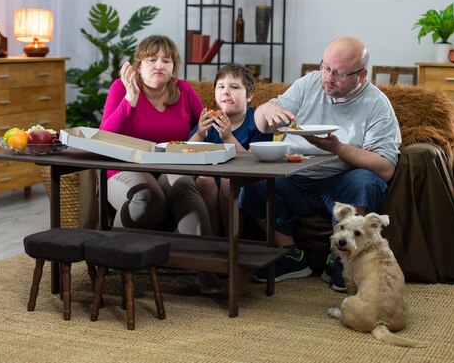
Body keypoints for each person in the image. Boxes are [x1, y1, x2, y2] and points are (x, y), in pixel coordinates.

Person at [240, 36, 401, 291]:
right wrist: (265, 110)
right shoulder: (309, 84)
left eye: (338, 73)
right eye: (325, 67)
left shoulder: (377, 104)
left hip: (340, 182)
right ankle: (290, 254)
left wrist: (337, 148)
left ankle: (341, 259)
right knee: (251, 183)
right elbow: (263, 120)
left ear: (361, 75)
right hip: (294, 175)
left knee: (366, 181)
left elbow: (386, 167)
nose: (327, 77)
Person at [99, 34, 223, 294]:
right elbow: (105, 137)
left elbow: (199, 137)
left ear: (173, 67)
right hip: (125, 167)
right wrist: (130, 100)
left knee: (185, 190)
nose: (159, 65)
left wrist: (208, 129)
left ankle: (208, 276)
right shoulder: (121, 89)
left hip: (169, 166)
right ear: (138, 66)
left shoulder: (184, 91)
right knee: (147, 198)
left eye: (166, 61)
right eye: (152, 59)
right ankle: (113, 262)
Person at [188, 63, 273, 236]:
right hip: (211, 179)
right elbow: (185, 150)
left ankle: (232, 241)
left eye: (234, 87)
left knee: (228, 181)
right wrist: (200, 133)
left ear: (249, 95)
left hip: (243, 179)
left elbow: (255, 160)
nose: (226, 91)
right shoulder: (209, 121)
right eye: (221, 87)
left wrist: (228, 137)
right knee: (205, 179)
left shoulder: (257, 121)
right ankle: (213, 237)